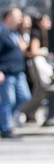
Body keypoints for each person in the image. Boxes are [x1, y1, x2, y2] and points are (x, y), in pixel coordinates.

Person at [0, 8, 26, 137]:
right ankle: (6, 128)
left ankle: (4, 119)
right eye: (18, 17)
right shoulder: (1, 31)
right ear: (8, 17)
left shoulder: (14, 32)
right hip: (6, 72)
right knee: (8, 101)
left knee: (24, 97)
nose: (20, 20)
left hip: (18, 71)